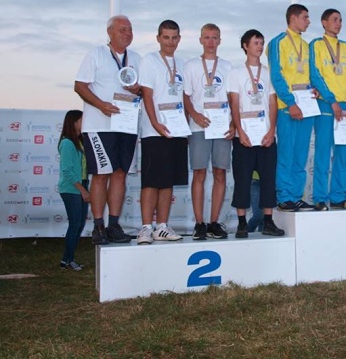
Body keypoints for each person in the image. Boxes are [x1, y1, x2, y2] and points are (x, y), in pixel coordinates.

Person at [74, 15, 141, 245]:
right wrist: (101, 105)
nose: (127, 33)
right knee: (101, 174)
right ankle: (98, 225)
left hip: (126, 124)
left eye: (130, 29)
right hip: (99, 126)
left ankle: (114, 224)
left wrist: (137, 89)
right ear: (109, 32)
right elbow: (80, 86)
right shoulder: (96, 54)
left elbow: (143, 90)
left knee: (120, 173)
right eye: (122, 29)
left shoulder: (136, 58)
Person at [227, 29, 284, 237]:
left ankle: (268, 221)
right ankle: (242, 223)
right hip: (244, 136)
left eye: (261, 43)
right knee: (242, 179)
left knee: (268, 179)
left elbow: (272, 102)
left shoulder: (268, 72)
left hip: (265, 135)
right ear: (245, 46)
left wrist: (272, 130)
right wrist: (239, 131)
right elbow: (234, 104)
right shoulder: (235, 72)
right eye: (255, 43)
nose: (259, 47)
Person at [136, 20, 189, 244]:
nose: (170, 42)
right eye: (166, 37)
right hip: (154, 131)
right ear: (158, 38)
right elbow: (147, 95)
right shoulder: (149, 60)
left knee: (168, 181)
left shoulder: (182, 63)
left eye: (174, 37)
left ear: (179, 39)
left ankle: (162, 227)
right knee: (151, 181)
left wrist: (186, 126)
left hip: (177, 131)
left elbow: (184, 98)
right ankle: (146, 227)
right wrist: (156, 123)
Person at [183, 23, 233, 240]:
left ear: (220, 40)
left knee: (220, 172)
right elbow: (185, 96)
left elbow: (233, 98)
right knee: (200, 173)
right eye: (207, 37)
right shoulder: (191, 65)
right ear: (200, 40)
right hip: (199, 126)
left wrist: (234, 124)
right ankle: (199, 223)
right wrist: (193, 114)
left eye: (215, 37)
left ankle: (214, 222)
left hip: (222, 127)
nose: (211, 41)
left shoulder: (228, 67)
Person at [309, 9, 346, 210]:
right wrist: (331, 101)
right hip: (326, 104)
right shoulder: (316, 45)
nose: (338, 23)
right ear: (324, 22)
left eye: (340, 20)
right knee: (323, 153)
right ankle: (320, 198)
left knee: (343, 154)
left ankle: (338, 197)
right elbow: (315, 75)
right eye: (334, 20)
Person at [267, 4, 318, 211]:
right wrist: (290, 103)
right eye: (305, 17)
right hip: (288, 107)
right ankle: (284, 196)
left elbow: (312, 74)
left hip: (307, 106)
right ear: (294, 18)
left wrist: (316, 89)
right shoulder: (277, 43)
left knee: (300, 155)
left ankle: (296, 195)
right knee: (286, 154)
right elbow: (276, 76)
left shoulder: (307, 46)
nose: (308, 21)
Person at [57, 110, 90, 270]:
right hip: (71, 189)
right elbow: (67, 171)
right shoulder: (67, 143)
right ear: (74, 122)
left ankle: (68, 259)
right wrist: (82, 190)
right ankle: (67, 260)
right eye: (82, 120)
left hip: (81, 185)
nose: (85, 122)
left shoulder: (80, 141)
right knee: (75, 224)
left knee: (80, 223)